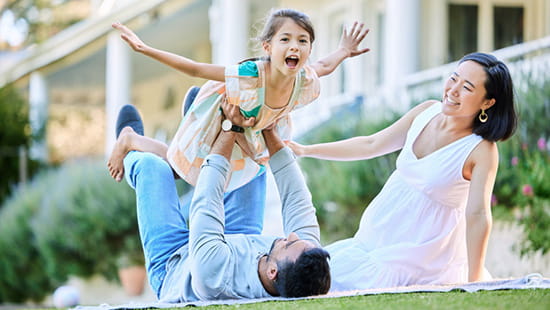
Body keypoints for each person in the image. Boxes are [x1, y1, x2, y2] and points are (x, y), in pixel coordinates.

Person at [288, 52, 517, 291]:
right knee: (319, 272)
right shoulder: (427, 111)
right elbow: (372, 144)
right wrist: (306, 150)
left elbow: (478, 214)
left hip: (422, 248)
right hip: (379, 231)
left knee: (332, 283)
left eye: (467, 87)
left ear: (487, 102)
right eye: (454, 78)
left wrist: (475, 276)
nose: (453, 90)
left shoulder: (481, 149)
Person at [108, 8, 370, 194]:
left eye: (303, 41)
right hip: (222, 116)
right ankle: (130, 138)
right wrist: (145, 49)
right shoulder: (251, 76)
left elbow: (324, 65)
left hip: (250, 128)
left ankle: (190, 108)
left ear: (309, 49)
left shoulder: (304, 80)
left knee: (227, 181)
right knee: (180, 171)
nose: (295, 46)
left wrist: (344, 51)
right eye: (286, 39)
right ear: (267, 47)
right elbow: (197, 69)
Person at [116, 101, 331, 301]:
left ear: (272, 271)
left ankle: (129, 142)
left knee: (153, 168)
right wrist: (269, 130)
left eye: (289, 243)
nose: (291, 235)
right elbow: (295, 197)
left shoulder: (216, 277)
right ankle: (199, 141)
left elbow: (206, 199)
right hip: (238, 239)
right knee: (253, 168)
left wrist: (230, 126)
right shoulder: (304, 256)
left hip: (175, 264)